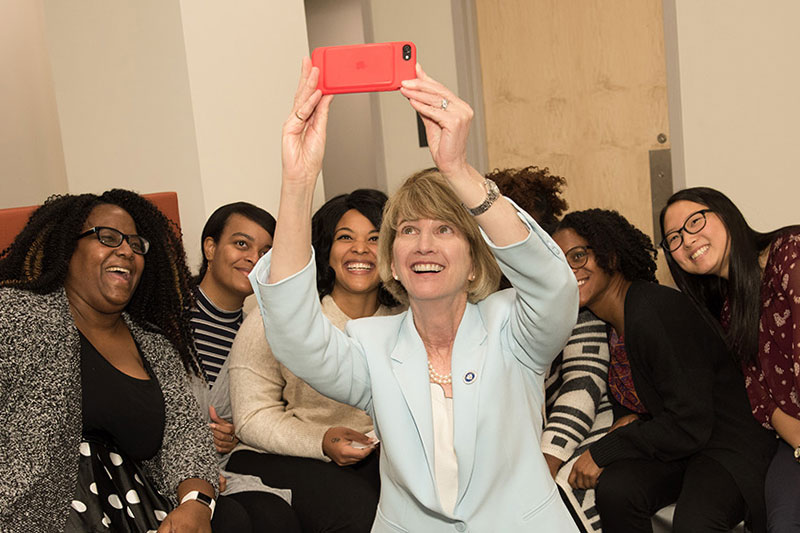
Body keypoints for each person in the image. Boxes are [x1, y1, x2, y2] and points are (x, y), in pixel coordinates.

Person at [249, 58, 580, 531]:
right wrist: (299, 182)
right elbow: (293, 335)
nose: (424, 245)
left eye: (444, 229)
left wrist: (458, 169)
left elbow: (554, 284)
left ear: (474, 262)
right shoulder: (371, 344)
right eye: (408, 230)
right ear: (393, 262)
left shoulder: (514, 327)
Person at [0, 190, 217, 532]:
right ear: (67, 248)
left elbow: (187, 436)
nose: (126, 250)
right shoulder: (16, 315)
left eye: (135, 243)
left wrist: (196, 505)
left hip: (144, 514)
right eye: (108, 237)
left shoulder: (156, 346)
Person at [551, 209, 776, 533]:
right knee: (617, 491)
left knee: (694, 524)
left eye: (579, 255)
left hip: (727, 445)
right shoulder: (606, 325)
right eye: (560, 262)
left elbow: (690, 420)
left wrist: (604, 450)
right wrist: (630, 424)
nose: (571, 269)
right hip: (683, 447)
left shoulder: (653, 311)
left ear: (609, 256)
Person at [227, 189, 398, 532]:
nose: (360, 249)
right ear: (326, 252)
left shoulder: (409, 320)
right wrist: (321, 440)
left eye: (375, 238)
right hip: (277, 456)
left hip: (374, 458)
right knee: (358, 510)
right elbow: (250, 417)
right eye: (345, 237)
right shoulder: (276, 319)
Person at [660, 188, 800, 532]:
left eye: (695, 222)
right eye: (674, 238)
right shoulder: (728, 312)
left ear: (726, 214)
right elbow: (763, 399)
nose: (688, 240)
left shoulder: (789, 252)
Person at [493, 167, 612, 533]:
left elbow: (584, 385)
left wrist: (547, 460)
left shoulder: (570, 296)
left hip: (583, 425)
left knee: (552, 495)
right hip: (523, 434)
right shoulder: (487, 296)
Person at [189, 202, 300, 533]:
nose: (253, 258)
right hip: (161, 466)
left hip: (226, 467)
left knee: (276, 515)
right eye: (241, 244)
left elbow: (266, 408)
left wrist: (236, 432)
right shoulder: (163, 317)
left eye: (265, 251)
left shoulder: (261, 333)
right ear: (210, 247)